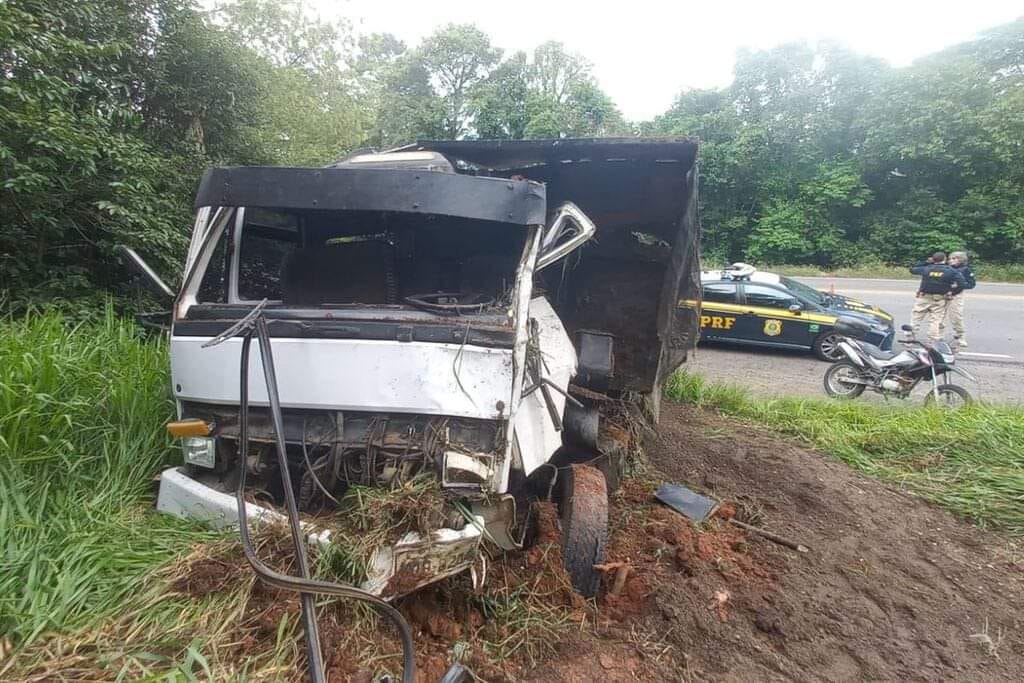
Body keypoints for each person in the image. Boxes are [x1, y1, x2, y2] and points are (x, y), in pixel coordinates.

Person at [909, 252, 966, 341]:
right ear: (945, 259)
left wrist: (926, 262)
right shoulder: (951, 271)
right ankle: (933, 340)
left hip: (924, 297)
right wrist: (953, 292)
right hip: (939, 299)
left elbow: (912, 269)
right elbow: (962, 284)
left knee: (916, 317)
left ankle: (910, 337)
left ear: (933, 259)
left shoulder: (926, 269)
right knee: (935, 320)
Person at [941, 251, 976, 349]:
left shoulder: (965, 270)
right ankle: (939, 336)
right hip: (942, 294)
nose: (951, 261)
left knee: (956, 317)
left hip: (956, 295)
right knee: (939, 316)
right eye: (950, 259)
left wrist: (959, 285)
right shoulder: (946, 269)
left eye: (954, 258)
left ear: (961, 260)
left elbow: (971, 284)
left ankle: (960, 336)